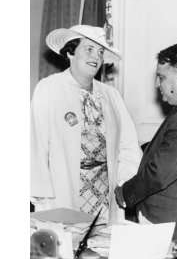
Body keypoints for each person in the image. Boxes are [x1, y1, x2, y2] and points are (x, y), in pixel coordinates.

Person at [31, 25, 142, 224]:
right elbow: (36, 144)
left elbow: (128, 145)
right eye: (89, 49)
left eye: (100, 52)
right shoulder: (49, 89)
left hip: (104, 194)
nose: (96, 57)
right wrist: (40, 193)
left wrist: (123, 183)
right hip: (62, 189)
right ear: (71, 52)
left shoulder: (111, 95)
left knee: (101, 248)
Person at [115, 43, 177, 240]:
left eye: (161, 77)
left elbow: (161, 172)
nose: (157, 84)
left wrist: (125, 193)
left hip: (171, 224)